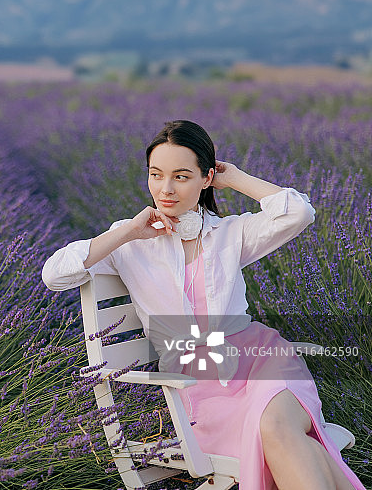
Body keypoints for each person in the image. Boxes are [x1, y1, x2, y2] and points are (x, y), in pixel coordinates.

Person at [41, 120, 365, 490]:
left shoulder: (228, 233)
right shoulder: (131, 243)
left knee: (275, 427)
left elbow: (298, 214)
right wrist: (129, 230)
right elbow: (55, 274)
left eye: (181, 176)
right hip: (197, 383)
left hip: (263, 358)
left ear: (206, 178)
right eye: (155, 175)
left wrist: (237, 178)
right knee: (289, 442)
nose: (165, 188)